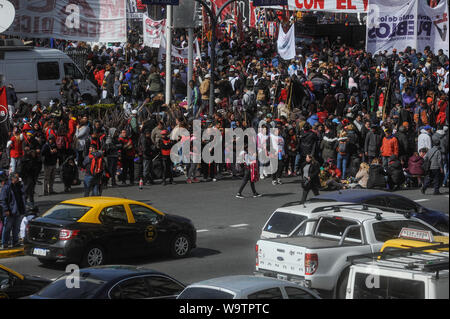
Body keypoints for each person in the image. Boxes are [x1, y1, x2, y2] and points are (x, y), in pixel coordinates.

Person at [1, 173, 26, 249]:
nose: (19, 179)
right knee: (7, 228)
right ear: (13, 178)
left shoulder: (19, 186)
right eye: (17, 178)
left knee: (16, 228)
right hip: (10, 211)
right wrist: (6, 210)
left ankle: (15, 242)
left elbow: (23, 196)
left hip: (18, 210)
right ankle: (5, 243)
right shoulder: (7, 187)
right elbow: (2, 200)